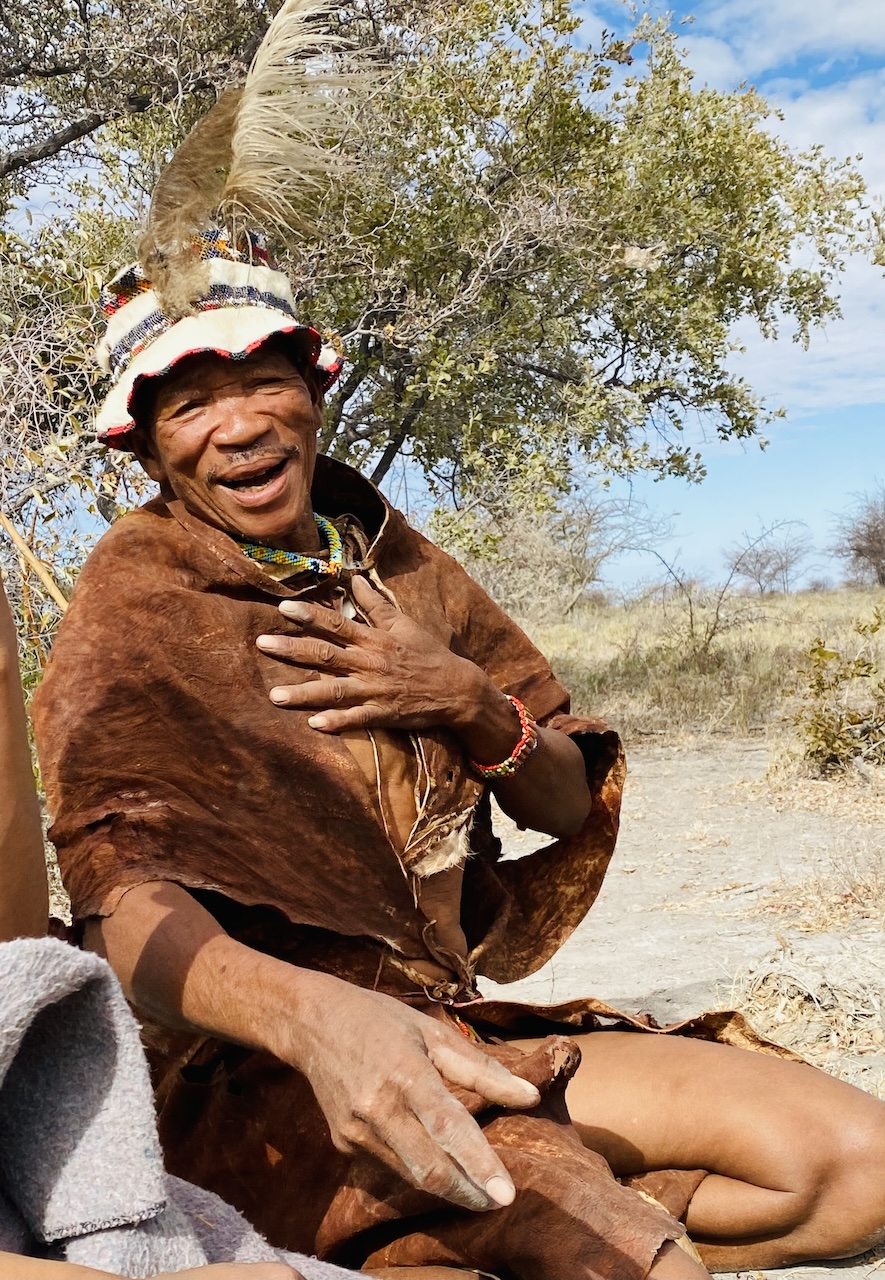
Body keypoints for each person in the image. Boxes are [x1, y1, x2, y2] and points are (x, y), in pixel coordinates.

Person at [28, 4, 885, 1275]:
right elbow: (122, 913)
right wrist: (318, 1024)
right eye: (189, 401)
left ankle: (467, 1233)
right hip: (248, 1082)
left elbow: (559, 793)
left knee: (856, 1170)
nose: (236, 422)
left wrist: (466, 701)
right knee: (622, 1256)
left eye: (262, 377)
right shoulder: (134, 598)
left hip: (445, 1022)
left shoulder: (396, 556)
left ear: (314, 389)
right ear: (146, 442)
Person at [0, 578, 365, 1280]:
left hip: (418, 1017)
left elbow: (12, 973)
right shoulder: (129, 607)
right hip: (232, 1071)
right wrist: (305, 1015)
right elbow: (116, 899)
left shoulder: (391, 569)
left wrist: (481, 714)